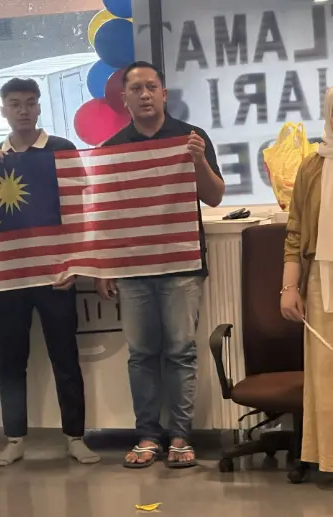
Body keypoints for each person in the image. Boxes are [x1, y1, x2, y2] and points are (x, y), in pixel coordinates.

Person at [96, 61, 224, 469]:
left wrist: (198, 161)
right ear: (125, 98)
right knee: (141, 355)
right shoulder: (113, 148)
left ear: (164, 93)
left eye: (151, 87)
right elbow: (106, 213)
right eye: (136, 89)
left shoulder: (191, 138)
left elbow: (215, 197)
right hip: (133, 267)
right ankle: (148, 435)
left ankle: (181, 436)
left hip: (182, 264)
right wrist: (105, 266)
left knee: (181, 352)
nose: (145, 95)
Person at [0, 78, 100, 467]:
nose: (24, 110)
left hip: (55, 273)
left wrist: (75, 262)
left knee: (65, 357)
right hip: (9, 275)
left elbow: (80, 210)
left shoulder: (62, 149)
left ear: (39, 107)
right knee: (11, 361)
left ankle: (75, 437)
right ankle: (14, 439)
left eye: (30, 103)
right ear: (3, 110)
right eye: (15, 104)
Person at [281, 85, 333, 474]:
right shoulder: (312, 167)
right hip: (322, 280)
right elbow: (295, 233)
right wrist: (289, 288)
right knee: (325, 375)